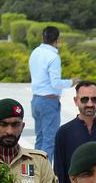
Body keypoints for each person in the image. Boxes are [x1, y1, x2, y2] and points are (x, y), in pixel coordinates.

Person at [29, 25, 76, 163]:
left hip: (36, 99)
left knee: (40, 138)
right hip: (49, 101)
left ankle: (36, 170)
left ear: (43, 37)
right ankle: (45, 174)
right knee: (50, 140)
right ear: (57, 39)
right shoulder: (53, 57)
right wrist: (71, 82)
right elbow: (55, 83)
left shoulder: (35, 52)